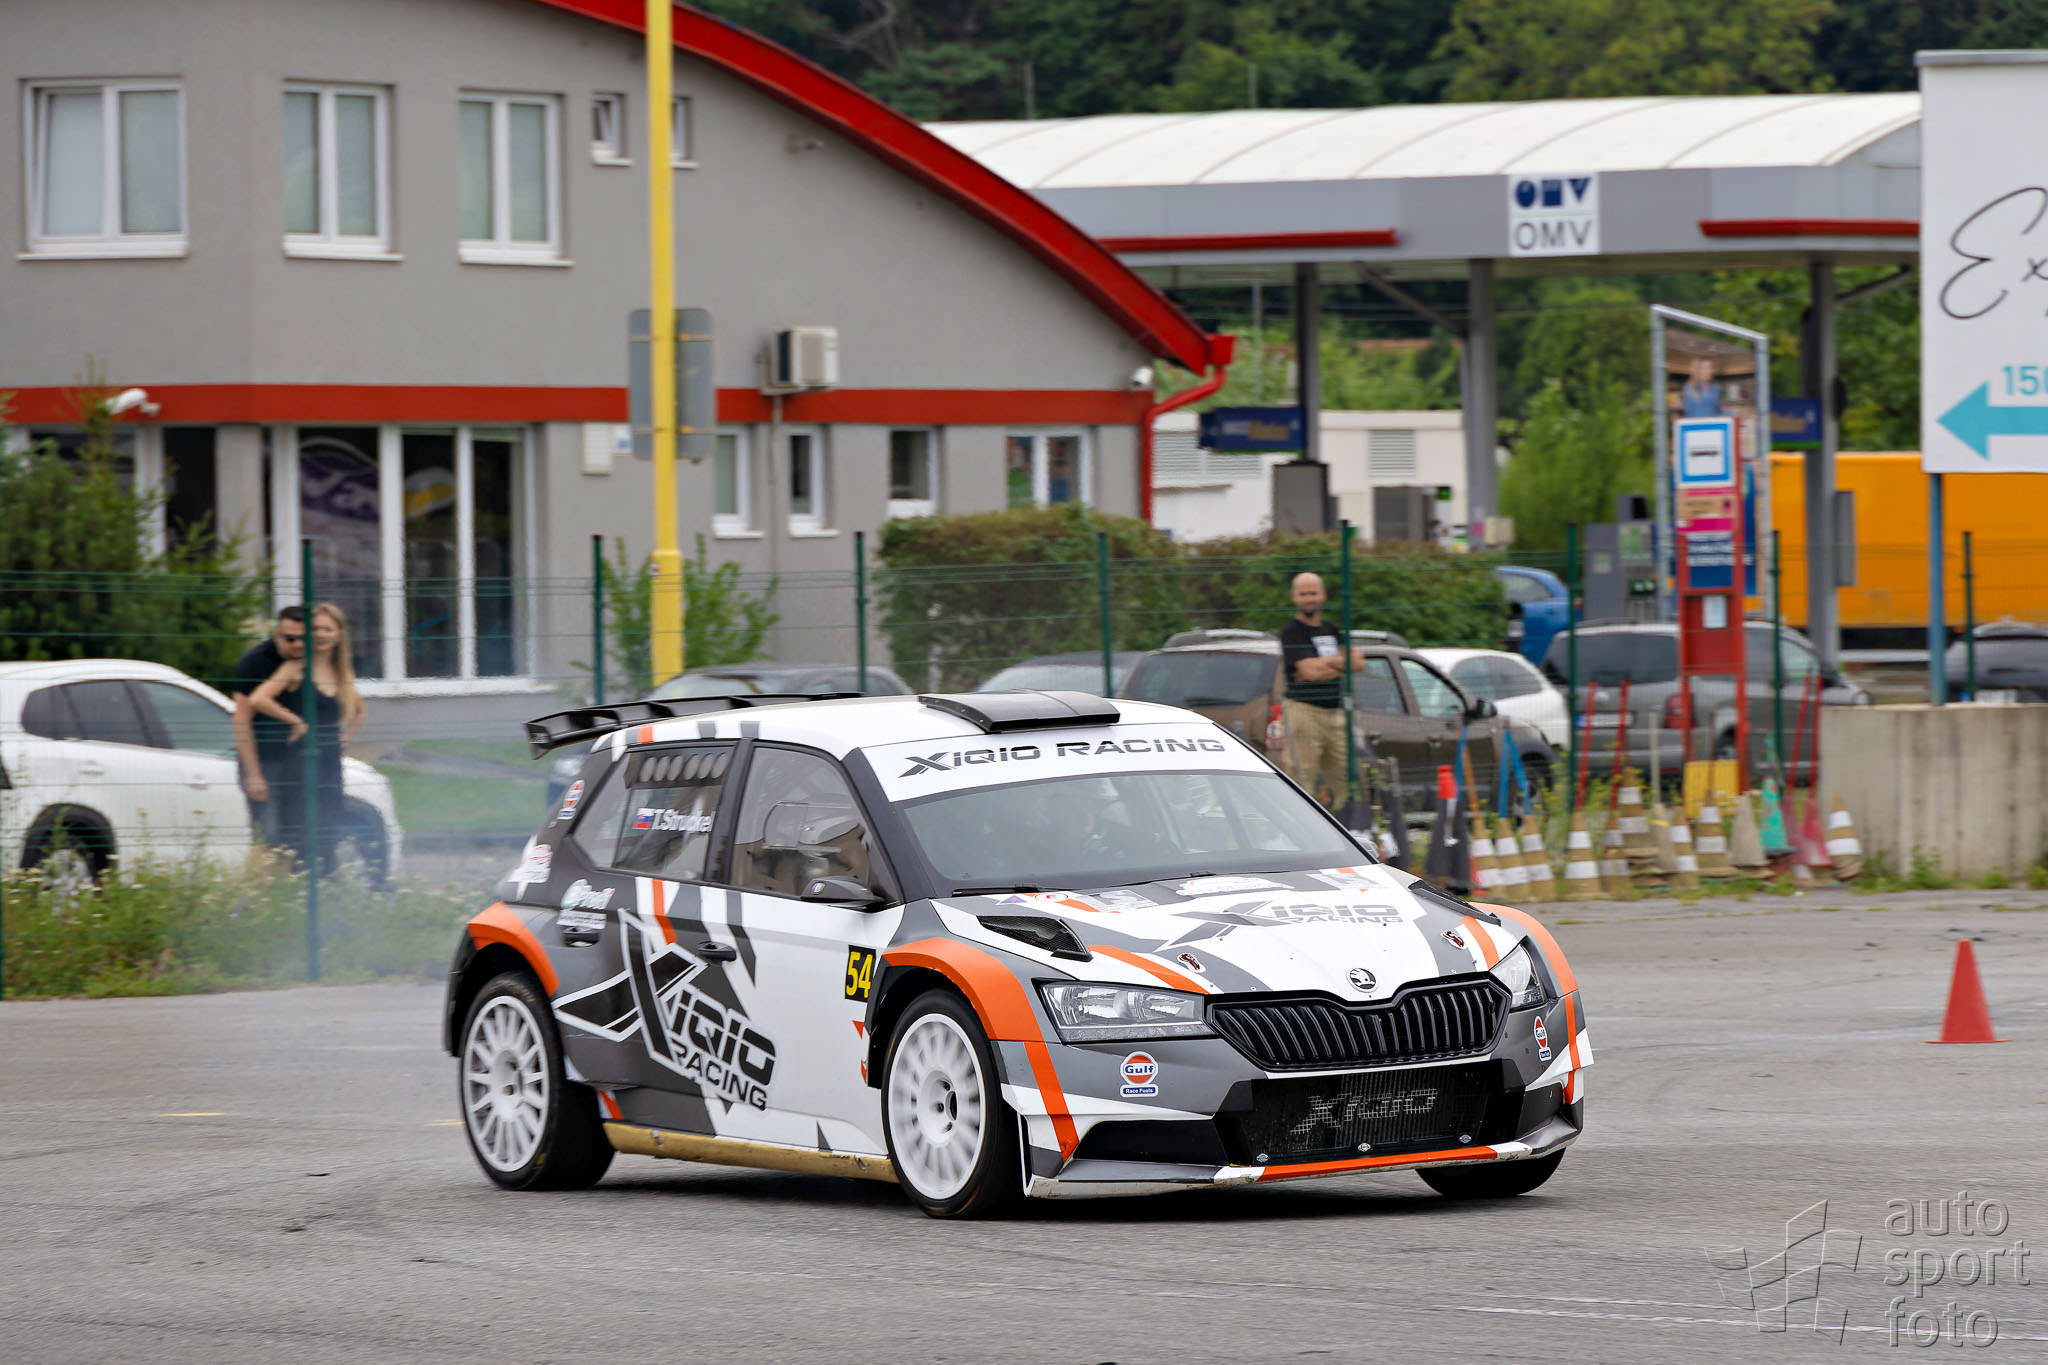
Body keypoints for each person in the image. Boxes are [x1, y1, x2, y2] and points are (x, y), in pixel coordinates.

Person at [248, 602, 366, 873]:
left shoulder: (341, 673)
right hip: (301, 762)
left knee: (328, 833)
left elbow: (359, 711)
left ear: (338, 634)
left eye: (327, 629)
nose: (321, 634)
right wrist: (295, 721)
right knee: (300, 834)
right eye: (315, 629)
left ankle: (324, 889)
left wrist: (346, 736)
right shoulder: (296, 668)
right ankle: (298, 887)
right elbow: (259, 699)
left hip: (331, 765)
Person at [1277, 572, 1368, 807]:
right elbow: (1309, 673)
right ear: (1294, 597)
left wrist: (1323, 664)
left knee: (1348, 778)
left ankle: (1347, 823)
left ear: (1323, 595)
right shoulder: (1292, 632)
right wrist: (1340, 664)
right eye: (1303, 594)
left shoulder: (1331, 628)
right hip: (1304, 712)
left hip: (1335, 713)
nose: (1309, 599)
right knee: (1302, 778)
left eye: (1313, 593)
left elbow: (1359, 663)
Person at [232, 607, 306, 848]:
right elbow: (242, 721)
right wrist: (253, 775)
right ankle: (263, 874)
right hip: (265, 762)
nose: (298, 644)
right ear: (276, 635)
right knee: (268, 837)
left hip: (299, 760)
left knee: (297, 836)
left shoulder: (313, 660)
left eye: (304, 638)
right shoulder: (255, 663)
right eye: (290, 638)